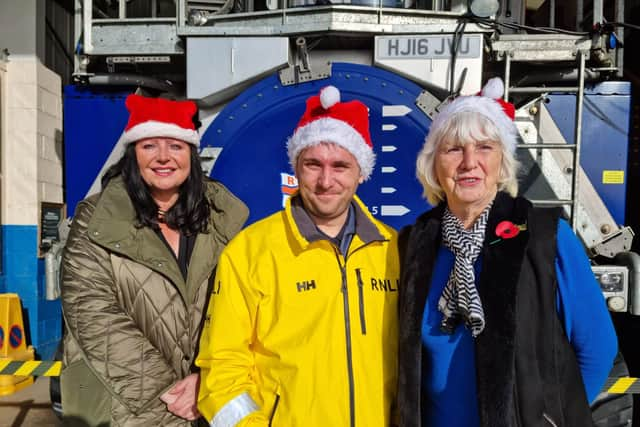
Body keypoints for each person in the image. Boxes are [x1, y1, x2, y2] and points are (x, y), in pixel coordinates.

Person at [397, 78, 618, 427]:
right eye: (453, 149)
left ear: (501, 162)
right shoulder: (414, 245)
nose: (469, 162)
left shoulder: (546, 238)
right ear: (433, 165)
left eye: (484, 147)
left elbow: (598, 349)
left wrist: (552, 417)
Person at [196, 85, 399, 427]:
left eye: (340, 166)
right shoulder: (250, 251)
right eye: (313, 165)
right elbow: (221, 370)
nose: (325, 180)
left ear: (361, 173)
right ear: (295, 168)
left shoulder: (393, 249)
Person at [60, 94, 249, 426]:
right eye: (150, 146)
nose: (163, 157)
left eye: (175, 146)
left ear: (191, 154)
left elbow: (242, 311)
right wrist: (169, 390)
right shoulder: (96, 219)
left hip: (204, 398)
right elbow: (90, 310)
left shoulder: (221, 219)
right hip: (124, 404)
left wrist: (209, 379)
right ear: (133, 155)